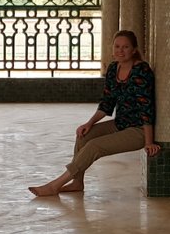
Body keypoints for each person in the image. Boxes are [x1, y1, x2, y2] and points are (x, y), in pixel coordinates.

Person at [30, 30, 158, 197]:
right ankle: (77, 182)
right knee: (83, 136)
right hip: (120, 123)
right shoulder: (113, 68)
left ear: (134, 50)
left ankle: (56, 185)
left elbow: (146, 108)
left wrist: (148, 142)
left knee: (94, 146)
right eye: (117, 46)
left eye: (125, 47)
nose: (120, 50)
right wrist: (89, 124)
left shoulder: (142, 70)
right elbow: (107, 103)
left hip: (139, 130)